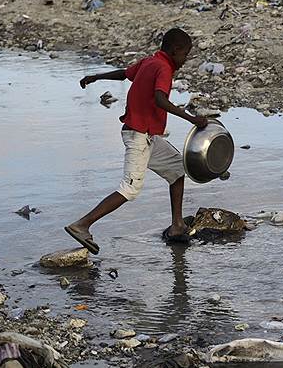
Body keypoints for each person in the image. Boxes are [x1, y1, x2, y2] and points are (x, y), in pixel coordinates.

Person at [65, 28, 207, 254]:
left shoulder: (150, 62)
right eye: (185, 54)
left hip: (147, 135)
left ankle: (177, 225)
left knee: (178, 169)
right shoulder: (163, 68)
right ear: (175, 50)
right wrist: (191, 119)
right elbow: (161, 99)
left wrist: (96, 77)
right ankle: (82, 225)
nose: (185, 60)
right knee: (130, 189)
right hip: (138, 136)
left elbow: (124, 73)